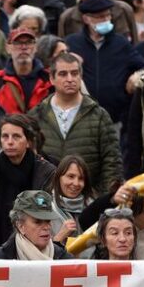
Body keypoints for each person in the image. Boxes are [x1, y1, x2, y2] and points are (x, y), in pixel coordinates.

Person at [0, 115, 57, 258]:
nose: (10, 142)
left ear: (28, 142)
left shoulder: (46, 173)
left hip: (36, 256)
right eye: (5, 136)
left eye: (16, 136)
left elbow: (56, 220)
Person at [29, 53, 122, 195]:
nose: (70, 79)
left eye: (74, 73)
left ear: (80, 77)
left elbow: (112, 162)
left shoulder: (98, 115)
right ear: (52, 78)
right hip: (45, 201)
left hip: (88, 201)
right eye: (63, 74)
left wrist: (104, 199)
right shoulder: (36, 115)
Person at [66, 0, 144, 129]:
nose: (106, 20)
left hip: (114, 118)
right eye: (100, 17)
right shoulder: (72, 43)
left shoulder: (120, 43)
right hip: (80, 118)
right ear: (86, 19)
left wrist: (139, 76)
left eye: (108, 16)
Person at [0, 190, 73, 261]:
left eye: (48, 221)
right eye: (38, 222)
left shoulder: (64, 259)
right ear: (20, 226)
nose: (46, 227)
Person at [0, 28, 53, 115]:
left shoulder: (50, 78)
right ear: (8, 48)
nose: (24, 47)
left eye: (29, 42)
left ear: (36, 47)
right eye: (18, 43)